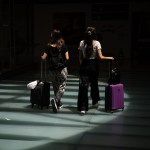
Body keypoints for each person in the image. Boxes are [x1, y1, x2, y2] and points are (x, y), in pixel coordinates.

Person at [77, 26, 114, 115]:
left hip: (84, 65)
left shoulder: (82, 42)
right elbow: (101, 57)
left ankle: (83, 107)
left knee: (83, 86)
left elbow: (80, 57)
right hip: (94, 65)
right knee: (94, 83)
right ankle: (95, 100)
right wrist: (109, 57)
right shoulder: (97, 43)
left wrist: (82, 65)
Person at [41, 29, 69, 113]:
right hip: (61, 69)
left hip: (52, 70)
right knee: (62, 86)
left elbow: (43, 58)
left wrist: (43, 57)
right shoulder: (63, 45)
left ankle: (58, 103)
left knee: (55, 86)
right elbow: (67, 58)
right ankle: (56, 100)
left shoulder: (48, 46)